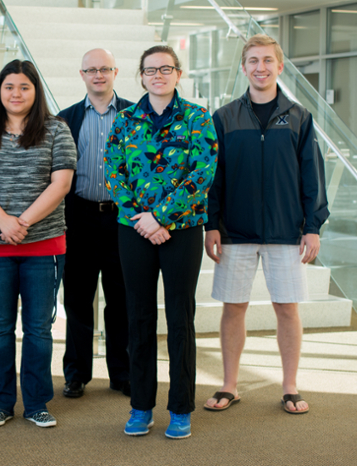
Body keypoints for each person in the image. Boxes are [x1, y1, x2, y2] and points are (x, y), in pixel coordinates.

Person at [203, 34, 328, 415]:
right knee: (233, 308)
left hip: (286, 231)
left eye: (267, 60)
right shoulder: (224, 117)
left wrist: (312, 227)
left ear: (279, 66)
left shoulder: (299, 117)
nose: (260, 67)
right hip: (234, 232)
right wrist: (211, 225)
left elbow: (312, 176)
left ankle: (290, 386)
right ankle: (229, 385)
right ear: (244, 68)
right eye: (253, 60)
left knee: (287, 308)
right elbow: (213, 177)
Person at [104, 45, 218, 439]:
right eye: (150, 70)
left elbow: (202, 172)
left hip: (181, 231)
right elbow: (113, 171)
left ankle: (181, 408)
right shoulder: (125, 120)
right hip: (134, 228)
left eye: (165, 69)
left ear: (178, 74)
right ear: (140, 76)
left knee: (180, 319)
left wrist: (161, 217)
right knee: (137, 317)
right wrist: (144, 220)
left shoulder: (197, 118)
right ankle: (141, 407)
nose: (158, 75)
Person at [0, 59, 76, 428]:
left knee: (39, 328)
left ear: (35, 91)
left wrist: (22, 222)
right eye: (9, 87)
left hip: (43, 246)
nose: (16, 93)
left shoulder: (57, 130)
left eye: (24, 87)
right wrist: (3, 221)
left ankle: (37, 403)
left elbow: (61, 184)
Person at [57, 48, 133, 399]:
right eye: (91, 70)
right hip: (80, 216)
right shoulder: (65, 119)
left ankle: (122, 372)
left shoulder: (136, 115)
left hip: (123, 218)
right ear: (82, 74)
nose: (98, 75)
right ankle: (76, 374)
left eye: (104, 69)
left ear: (115, 72)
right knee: (77, 298)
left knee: (121, 299)